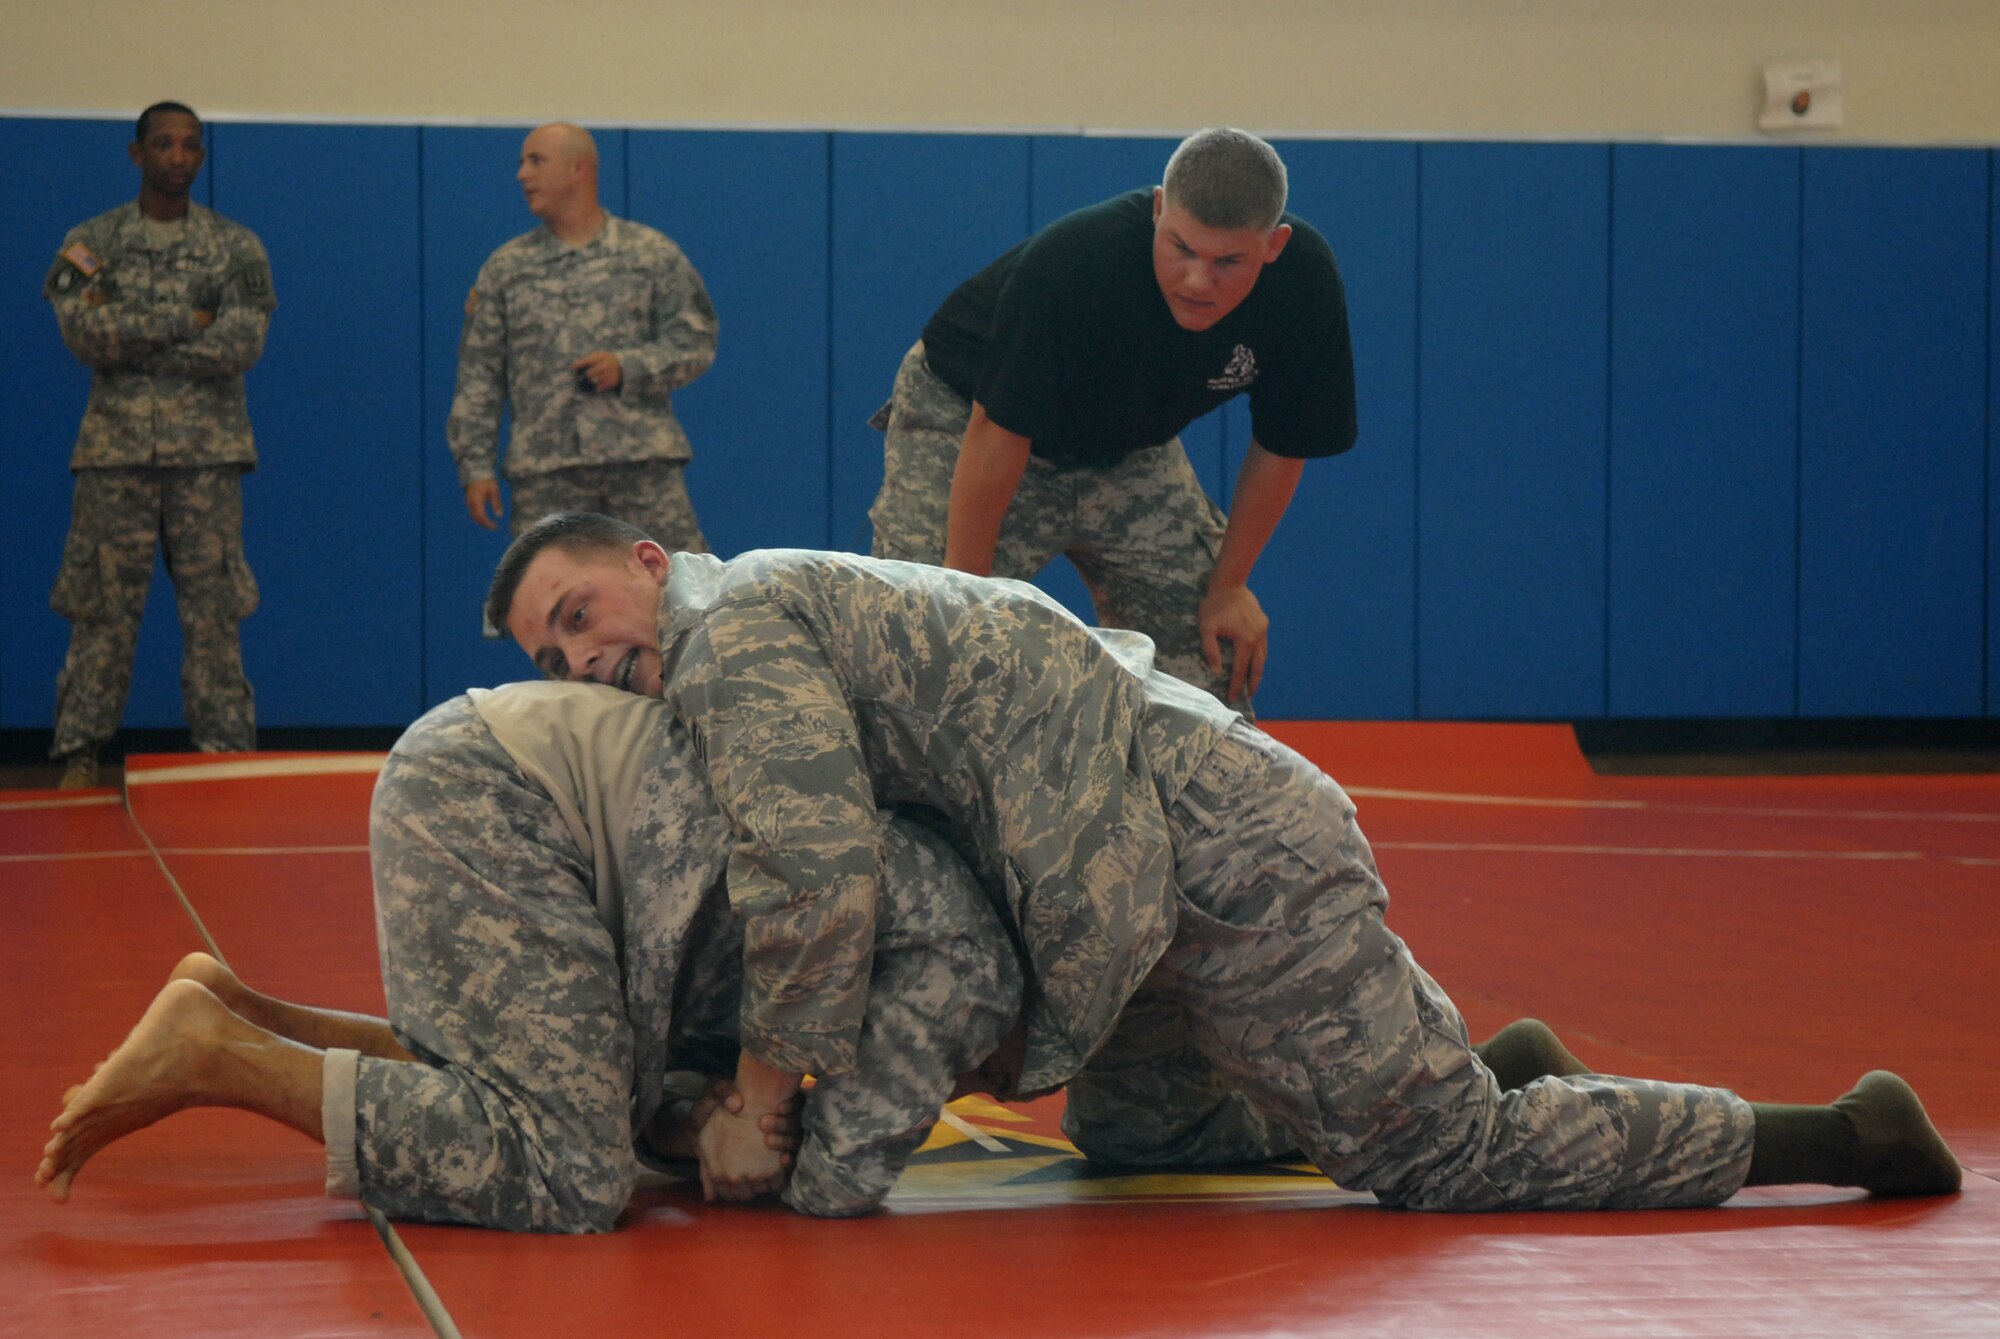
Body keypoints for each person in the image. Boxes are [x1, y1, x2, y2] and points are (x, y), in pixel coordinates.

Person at [490, 511, 1963, 1211]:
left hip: (1211, 852)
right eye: (547, 650)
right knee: (1139, 1136)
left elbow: (813, 878)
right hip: (1121, 881)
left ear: (643, 556)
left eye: (574, 609)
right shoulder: (753, 608)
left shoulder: (730, 626)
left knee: (1435, 1159)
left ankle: (1834, 1132)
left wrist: (754, 1099)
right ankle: (1481, 1057)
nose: (578, 653)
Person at [37, 681, 1024, 1227]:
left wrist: (710, 1116)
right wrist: (752, 1134)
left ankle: (246, 1015)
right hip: (499, 797)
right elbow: (838, 1177)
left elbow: (677, 1047)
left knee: (575, 1091)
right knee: (570, 1167)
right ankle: (227, 1060)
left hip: (494, 779)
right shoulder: (970, 960)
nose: (980, 1082)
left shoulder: (918, 885)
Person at [867, 127, 1357, 710]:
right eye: (1181, 248)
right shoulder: (1075, 261)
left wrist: (1228, 586)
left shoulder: (1304, 284)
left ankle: (1172, 797)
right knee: (919, 645)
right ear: (1157, 210)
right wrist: (965, 593)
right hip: (970, 416)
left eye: (1229, 261)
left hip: (1127, 446)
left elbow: (1283, 445)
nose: (1198, 280)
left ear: (1273, 246)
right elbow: (997, 430)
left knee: (1205, 668)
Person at [43, 101, 276, 789]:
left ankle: (224, 760)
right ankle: (79, 755)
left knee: (214, 616)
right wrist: (187, 318)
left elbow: (241, 344)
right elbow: (85, 336)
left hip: (207, 460)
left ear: (202, 158)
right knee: (100, 613)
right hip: (115, 458)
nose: (178, 158)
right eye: (163, 144)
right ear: (136, 153)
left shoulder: (237, 246)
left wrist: (135, 336)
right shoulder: (92, 242)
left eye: (190, 147)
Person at [447, 122, 717, 549]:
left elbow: (696, 343)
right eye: (521, 163)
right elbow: (479, 375)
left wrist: (628, 367)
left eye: (536, 161)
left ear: (579, 169)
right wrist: (475, 466)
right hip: (546, 474)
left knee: (679, 594)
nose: (522, 174)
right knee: (548, 601)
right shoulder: (507, 268)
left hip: (641, 466)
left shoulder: (649, 254)